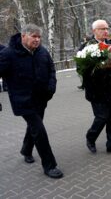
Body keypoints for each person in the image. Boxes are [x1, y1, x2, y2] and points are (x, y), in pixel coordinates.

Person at [0, 24, 63, 179]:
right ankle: (50, 165)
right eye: (33, 36)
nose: (37, 40)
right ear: (23, 36)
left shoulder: (42, 51)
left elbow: (51, 70)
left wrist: (51, 87)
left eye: (39, 37)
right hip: (23, 101)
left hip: (41, 98)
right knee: (39, 130)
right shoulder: (8, 54)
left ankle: (26, 150)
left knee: (34, 127)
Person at [80, 19, 111, 154]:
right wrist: (100, 67)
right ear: (94, 31)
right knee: (101, 117)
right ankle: (91, 137)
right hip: (96, 90)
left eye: (107, 28)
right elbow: (82, 69)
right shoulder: (86, 47)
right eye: (102, 29)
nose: (105, 31)